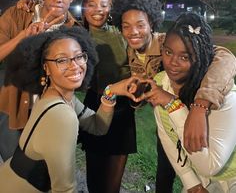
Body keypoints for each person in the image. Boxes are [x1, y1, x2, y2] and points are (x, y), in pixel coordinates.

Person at [112, 0, 236, 193]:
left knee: (177, 169)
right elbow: (151, 92)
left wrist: (200, 104)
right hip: (166, 121)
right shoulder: (129, 52)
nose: (133, 32)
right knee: (166, 169)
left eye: (140, 25)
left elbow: (224, 56)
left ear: (152, 24)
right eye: (126, 26)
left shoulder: (169, 40)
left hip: (197, 119)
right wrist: (136, 94)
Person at [0, 26, 137, 193]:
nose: (75, 66)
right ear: (46, 68)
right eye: (61, 60)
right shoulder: (62, 116)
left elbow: (97, 126)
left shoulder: (55, 95)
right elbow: (64, 189)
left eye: (79, 56)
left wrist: (110, 91)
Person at [0, 0, 81, 161]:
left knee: (42, 174)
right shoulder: (17, 14)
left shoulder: (75, 31)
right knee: (13, 170)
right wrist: (23, 36)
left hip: (50, 111)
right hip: (12, 106)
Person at [79, 0, 136, 193]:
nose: (98, 10)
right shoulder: (78, 33)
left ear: (110, 9)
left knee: (114, 180)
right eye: (92, 4)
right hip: (96, 105)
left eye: (104, 5)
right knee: (95, 174)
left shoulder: (121, 33)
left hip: (122, 107)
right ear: (85, 8)